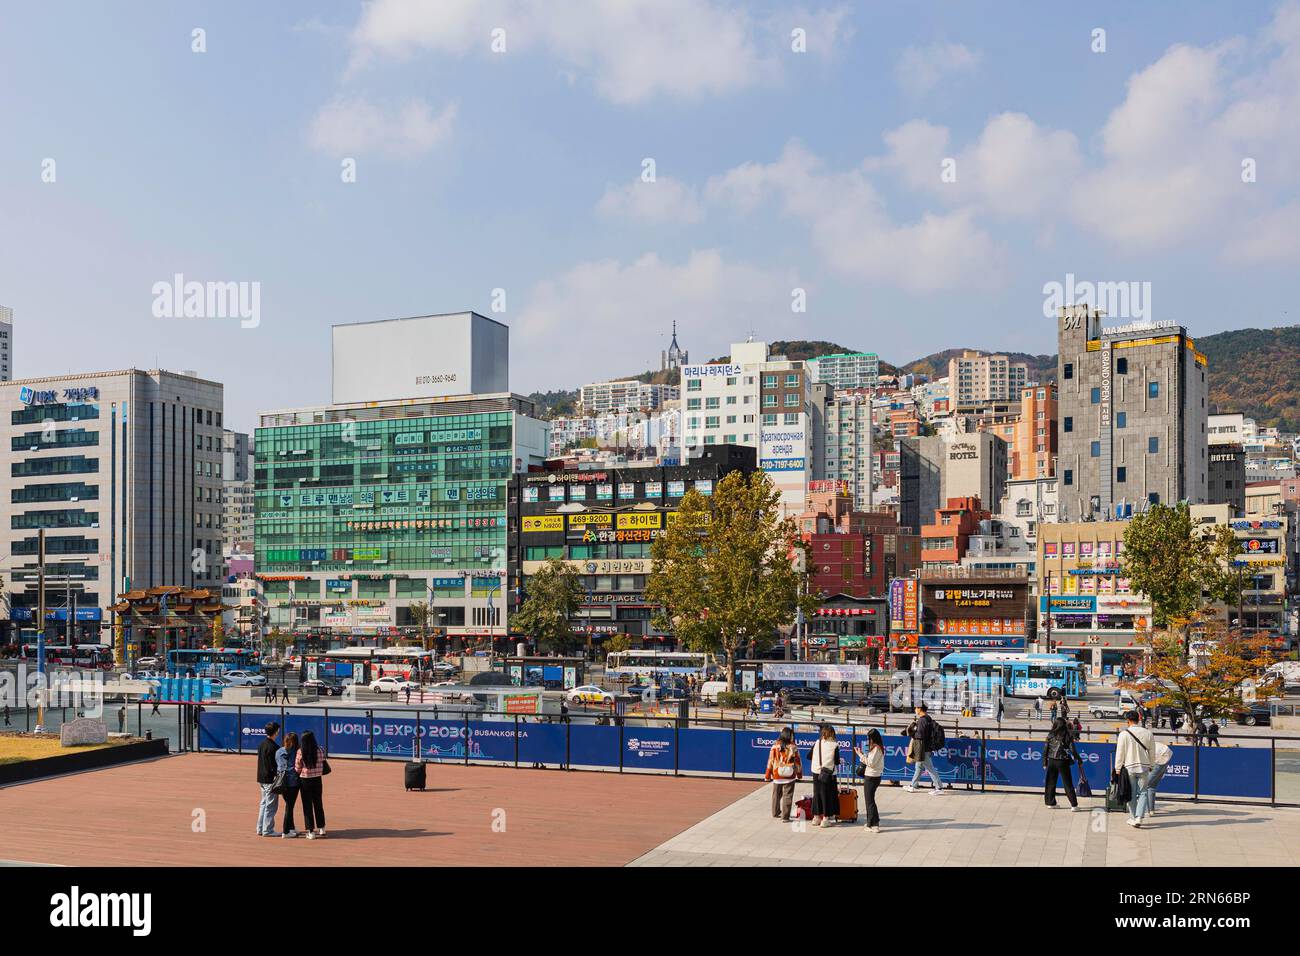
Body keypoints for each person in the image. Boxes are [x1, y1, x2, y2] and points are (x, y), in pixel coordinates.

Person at [1113, 710, 1156, 827]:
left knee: (1130, 793)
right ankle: (1139, 817)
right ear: (1139, 719)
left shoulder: (1124, 734)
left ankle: (1133, 817)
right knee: (1143, 792)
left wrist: (1117, 768)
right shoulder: (1148, 733)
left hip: (1129, 767)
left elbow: (1120, 752)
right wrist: (1152, 765)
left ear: (1128, 720)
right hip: (1144, 766)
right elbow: (1152, 751)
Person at [1043, 717, 1084, 810]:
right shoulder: (1067, 735)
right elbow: (1073, 750)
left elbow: (1045, 750)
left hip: (1051, 760)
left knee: (1050, 782)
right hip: (1062, 761)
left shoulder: (1050, 735)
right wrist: (1079, 759)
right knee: (1067, 783)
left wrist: (1044, 763)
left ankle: (1050, 803)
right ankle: (1074, 805)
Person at [904, 704, 945, 794]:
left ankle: (939, 788)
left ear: (920, 709)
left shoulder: (922, 720)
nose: (915, 709)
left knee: (929, 768)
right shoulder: (928, 718)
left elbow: (920, 735)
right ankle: (913, 785)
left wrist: (911, 732)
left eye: (916, 708)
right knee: (918, 767)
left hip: (923, 748)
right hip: (926, 747)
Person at [764, 727, 803, 822]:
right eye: (792, 735)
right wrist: (799, 774)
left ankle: (775, 812)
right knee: (787, 795)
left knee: (776, 794)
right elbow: (798, 762)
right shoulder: (793, 747)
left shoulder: (774, 746)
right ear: (789, 736)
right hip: (790, 775)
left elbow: (770, 761)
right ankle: (785, 817)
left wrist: (767, 775)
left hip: (777, 774)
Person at [295, 730, 328, 839]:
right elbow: (323, 761)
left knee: (307, 805)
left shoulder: (300, 751)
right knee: (318, 803)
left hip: (305, 780)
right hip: (317, 780)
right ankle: (322, 828)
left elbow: (297, 768)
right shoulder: (320, 750)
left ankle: (310, 831)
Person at [808, 724, 840, 827]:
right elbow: (837, 761)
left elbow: (809, 756)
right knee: (827, 795)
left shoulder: (818, 742)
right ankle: (825, 819)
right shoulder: (835, 745)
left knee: (817, 794)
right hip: (828, 774)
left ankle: (816, 817)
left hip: (816, 771)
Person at [854, 728, 885, 832]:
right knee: (870, 800)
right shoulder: (877, 748)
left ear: (872, 738)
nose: (868, 740)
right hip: (874, 776)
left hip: (871, 777)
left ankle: (874, 824)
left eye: (869, 738)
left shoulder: (876, 748)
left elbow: (871, 763)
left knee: (869, 801)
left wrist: (860, 754)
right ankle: (871, 823)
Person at [255, 722, 281, 837]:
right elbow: (274, 766)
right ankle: (268, 830)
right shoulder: (274, 747)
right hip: (270, 779)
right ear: (276, 732)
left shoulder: (262, 744)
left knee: (264, 804)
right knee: (270, 806)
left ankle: (260, 828)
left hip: (261, 778)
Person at [1142, 735, 1175, 817]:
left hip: (1160, 759)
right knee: (1151, 787)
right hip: (1164, 757)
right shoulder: (1151, 745)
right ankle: (1151, 810)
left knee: (1146, 786)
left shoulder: (1145, 748)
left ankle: (1146, 810)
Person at [277, 731, 302, 838]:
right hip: (293, 782)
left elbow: (279, 766)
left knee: (289, 805)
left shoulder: (279, 751)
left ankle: (291, 827)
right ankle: (286, 831)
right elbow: (296, 767)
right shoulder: (297, 751)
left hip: (282, 782)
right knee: (289, 806)